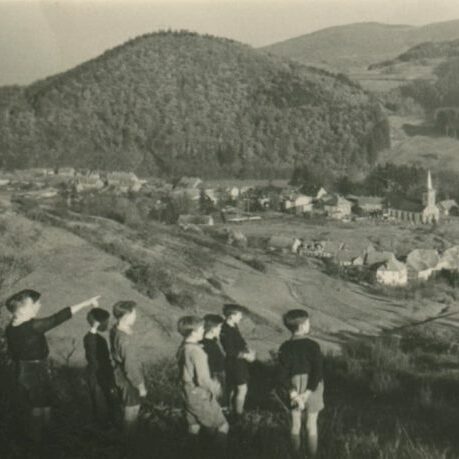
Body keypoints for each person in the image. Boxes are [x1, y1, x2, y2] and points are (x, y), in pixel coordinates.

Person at [4, 289, 100, 444]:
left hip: (26, 368)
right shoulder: (32, 326)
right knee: (38, 406)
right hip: (33, 370)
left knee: (44, 403)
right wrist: (86, 303)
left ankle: (43, 438)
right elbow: (58, 318)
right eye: (34, 304)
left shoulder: (12, 327)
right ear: (21, 309)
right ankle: (37, 442)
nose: (38, 306)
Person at [176, 316, 229, 457]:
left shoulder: (183, 347)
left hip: (187, 392)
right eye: (200, 328)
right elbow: (203, 379)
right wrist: (216, 388)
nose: (203, 331)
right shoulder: (197, 352)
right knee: (222, 426)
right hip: (200, 394)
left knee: (193, 427)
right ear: (193, 332)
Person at [278, 309, 324, 458]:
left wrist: (293, 393)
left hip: (293, 385)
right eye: (308, 322)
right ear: (303, 326)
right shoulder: (313, 345)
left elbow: (281, 375)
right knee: (312, 425)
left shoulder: (284, 347)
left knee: (295, 424)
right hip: (313, 386)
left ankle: (295, 455)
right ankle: (312, 456)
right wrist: (308, 392)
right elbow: (318, 372)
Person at [110, 301, 146, 443]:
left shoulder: (116, 329)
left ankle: (127, 442)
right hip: (128, 377)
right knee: (132, 410)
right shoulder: (125, 338)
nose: (136, 316)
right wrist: (140, 385)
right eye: (134, 313)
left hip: (120, 372)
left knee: (128, 407)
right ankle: (128, 445)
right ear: (127, 315)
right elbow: (130, 365)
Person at [220, 304, 255, 417]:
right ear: (231, 316)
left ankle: (232, 412)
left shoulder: (233, 326)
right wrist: (246, 356)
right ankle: (238, 414)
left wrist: (248, 350)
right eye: (239, 315)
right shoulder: (225, 329)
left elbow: (240, 342)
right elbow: (230, 351)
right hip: (234, 363)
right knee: (241, 388)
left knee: (234, 389)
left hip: (238, 362)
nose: (241, 317)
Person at [84, 307, 117, 427]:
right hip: (98, 375)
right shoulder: (91, 338)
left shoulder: (95, 337)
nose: (107, 325)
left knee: (102, 405)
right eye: (105, 322)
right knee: (101, 406)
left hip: (99, 374)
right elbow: (93, 352)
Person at [201, 314, 226, 406]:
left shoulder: (210, 342)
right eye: (219, 327)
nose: (221, 329)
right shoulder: (208, 345)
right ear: (212, 329)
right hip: (213, 379)